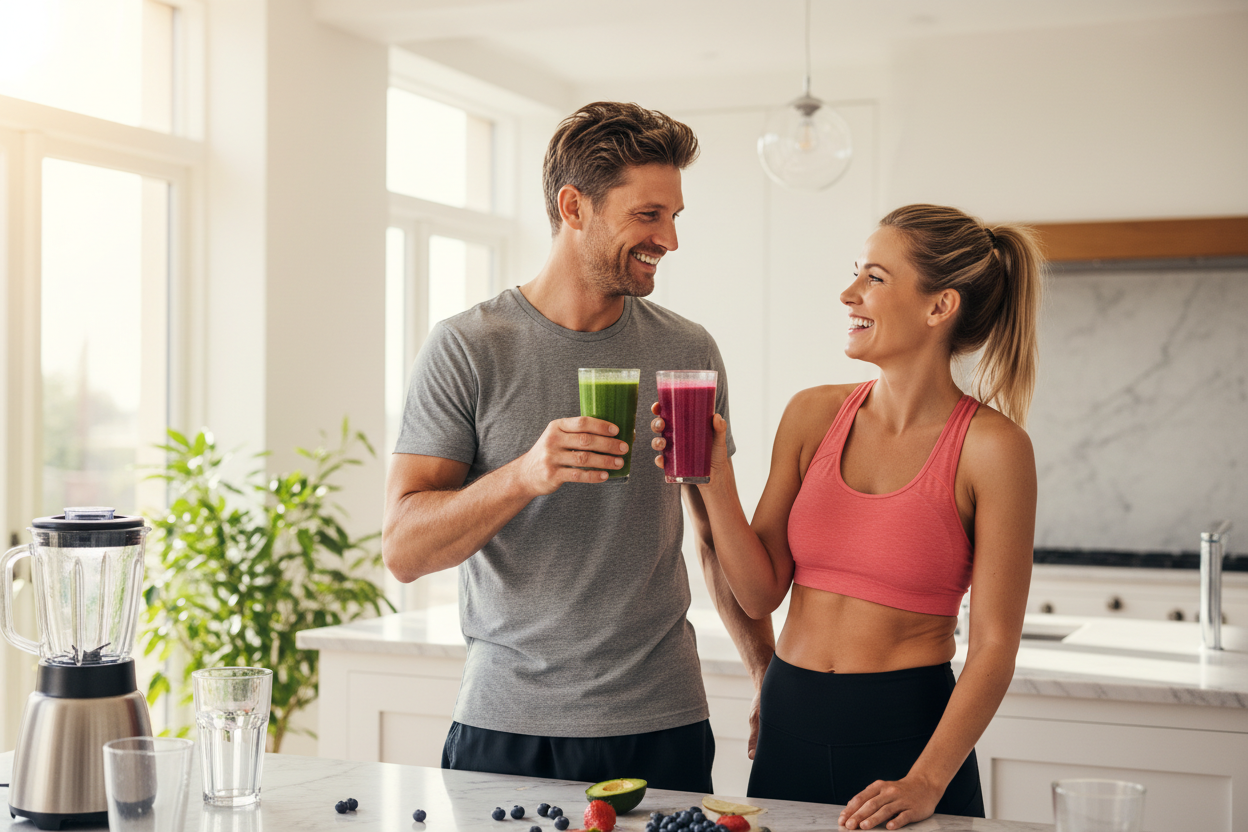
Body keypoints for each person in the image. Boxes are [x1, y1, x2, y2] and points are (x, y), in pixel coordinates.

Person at [382, 101, 774, 792]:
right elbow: (405, 550)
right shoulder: (470, 348)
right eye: (649, 215)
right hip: (509, 724)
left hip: (663, 718)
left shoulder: (687, 350)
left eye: (675, 217)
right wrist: (523, 476)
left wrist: (765, 671)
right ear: (574, 206)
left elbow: (714, 533)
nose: (670, 240)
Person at [651, 204, 1041, 829]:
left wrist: (926, 780)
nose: (848, 293)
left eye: (874, 278)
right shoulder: (812, 415)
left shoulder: (994, 449)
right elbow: (758, 592)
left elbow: (995, 645)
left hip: (908, 734)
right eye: (854, 273)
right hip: (789, 718)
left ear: (939, 307)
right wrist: (715, 477)